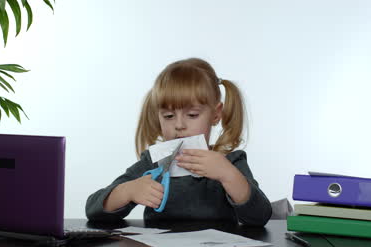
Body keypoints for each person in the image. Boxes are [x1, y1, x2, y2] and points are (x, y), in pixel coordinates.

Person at [86, 58, 272, 226]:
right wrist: (127, 191)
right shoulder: (153, 162)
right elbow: (93, 210)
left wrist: (228, 176)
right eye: (168, 116)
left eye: (192, 115)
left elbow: (260, 216)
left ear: (215, 114)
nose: (179, 125)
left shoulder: (231, 162)